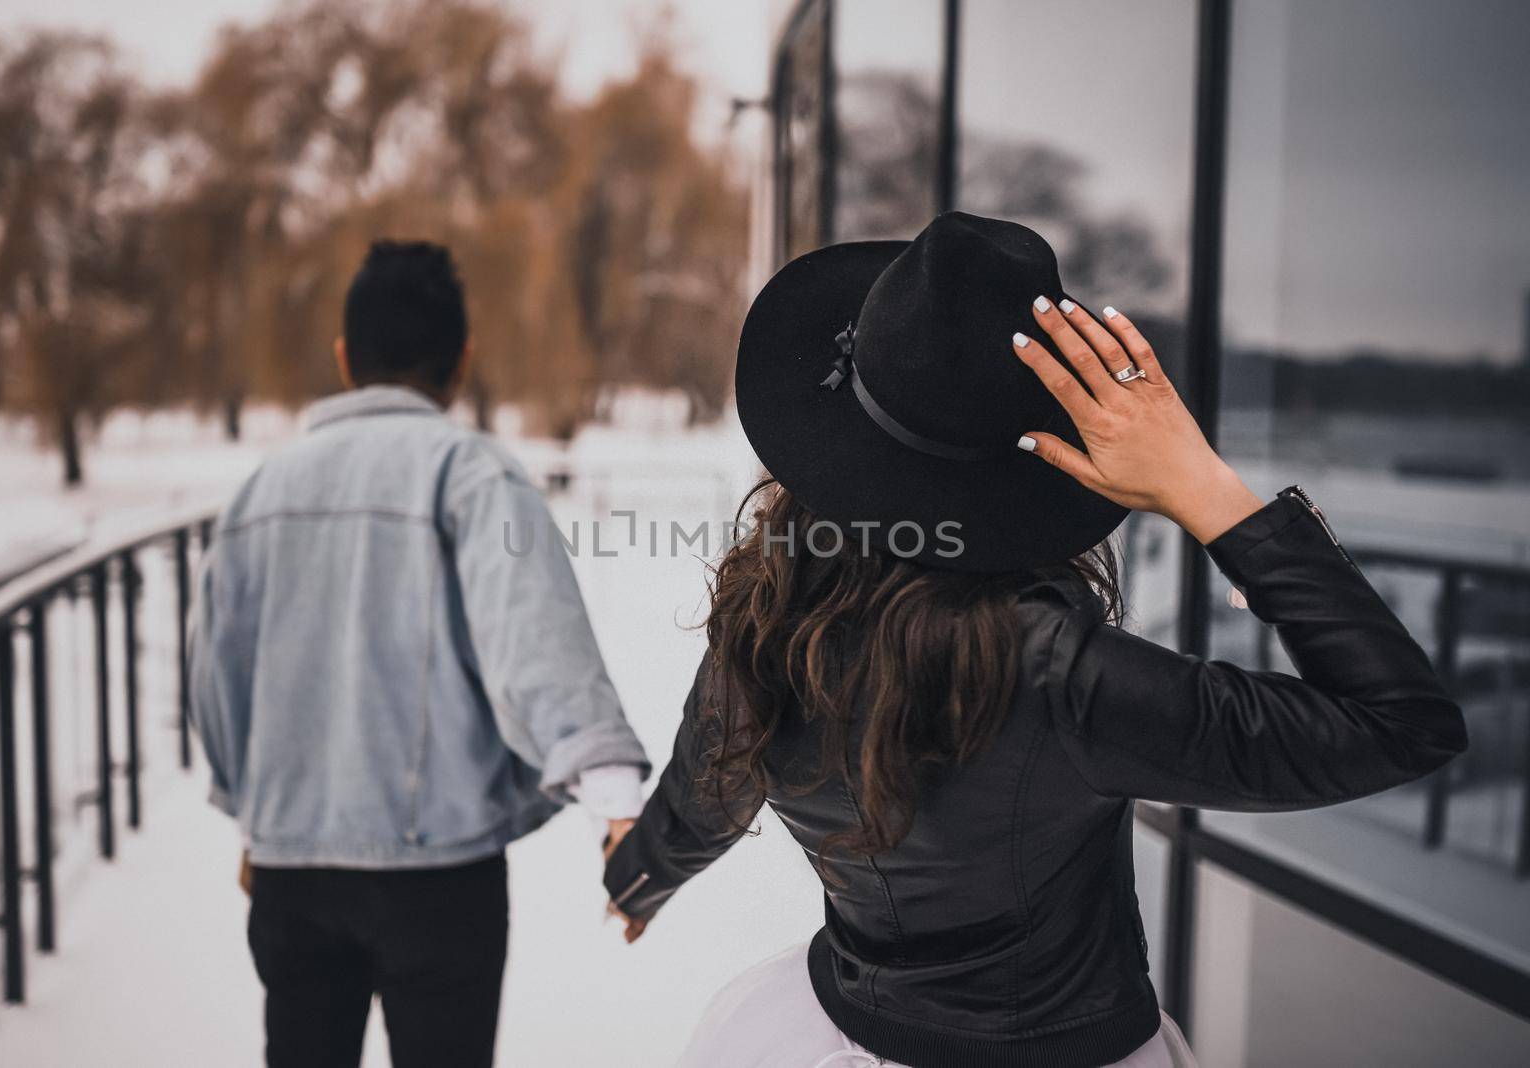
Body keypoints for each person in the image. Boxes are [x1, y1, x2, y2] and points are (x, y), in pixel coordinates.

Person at [602, 213, 1467, 1068]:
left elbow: (705, 791)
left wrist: (637, 875)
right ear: (1042, 454)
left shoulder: (770, 621)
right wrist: (1204, 488)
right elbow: (1399, 724)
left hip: (829, 1027)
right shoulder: (1061, 674)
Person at [189, 240, 649, 1068]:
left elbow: (218, 676)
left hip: (293, 868)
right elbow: (533, 643)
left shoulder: (262, 491)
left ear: (343, 358)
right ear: (462, 360)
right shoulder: (470, 474)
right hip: (440, 879)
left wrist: (254, 813)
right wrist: (613, 803)